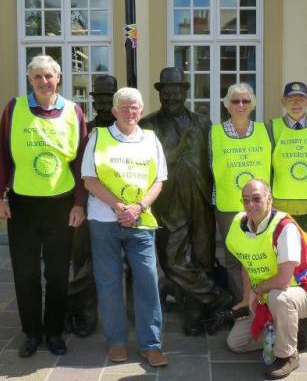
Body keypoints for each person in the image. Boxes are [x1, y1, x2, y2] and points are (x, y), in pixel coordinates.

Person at [0, 55, 88, 357]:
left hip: (61, 206)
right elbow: (2, 156)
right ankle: (32, 332)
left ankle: (54, 331)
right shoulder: (14, 108)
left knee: (58, 273)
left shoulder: (73, 111)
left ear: (59, 78)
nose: (44, 82)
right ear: (30, 79)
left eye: (50, 76)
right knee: (25, 273)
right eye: (38, 77)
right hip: (23, 206)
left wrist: (79, 203)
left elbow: (82, 162)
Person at [140, 67, 232, 336]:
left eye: (176, 92)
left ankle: (196, 312)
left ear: (185, 92)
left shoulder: (203, 123)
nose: (170, 98)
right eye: (166, 93)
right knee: (172, 260)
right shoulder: (148, 125)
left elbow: (216, 160)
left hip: (201, 199)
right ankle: (219, 297)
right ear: (160, 94)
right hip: (168, 202)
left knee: (203, 257)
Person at [81, 87, 169, 367]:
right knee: (109, 283)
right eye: (125, 107)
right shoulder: (99, 137)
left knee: (147, 281)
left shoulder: (151, 139)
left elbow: (159, 181)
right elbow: (89, 180)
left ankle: (151, 344)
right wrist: (120, 207)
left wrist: (138, 208)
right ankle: (116, 342)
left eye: (135, 107)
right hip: (105, 221)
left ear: (141, 112)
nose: (131, 112)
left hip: (141, 221)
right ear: (115, 111)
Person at [225, 179, 307, 380]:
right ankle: (289, 333)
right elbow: (246, 263)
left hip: (301, 292)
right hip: (264, 294)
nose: (250, 204)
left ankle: (287, 355)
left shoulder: (284, 227)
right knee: (236, 343)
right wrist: (246, 299)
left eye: (256, 199)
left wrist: (256, 290)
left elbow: (283, 280)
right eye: (245, 200)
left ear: (269, 199)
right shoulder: (239, 224)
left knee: (279, 298)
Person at [65, 74, 118, 338]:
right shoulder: (85, 131)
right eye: (100, 100)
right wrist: (78, 205)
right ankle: (81, 311)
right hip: (87, 206)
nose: (104, 105)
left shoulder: (128, 132)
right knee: (84, 261)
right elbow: (76, 172)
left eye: (109, 100)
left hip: (122, 209)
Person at [211, 83, 272, 302]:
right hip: (228, 206)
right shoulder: (215, 133)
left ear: (252, 105)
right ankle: (243, 303)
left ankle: (264, 301)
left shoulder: (265, 131)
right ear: (227, 105)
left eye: (245, 101)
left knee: (262, 255)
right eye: (235, 101)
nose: (240, 105)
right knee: (234, 258)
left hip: (260, 206)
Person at [266, 81, 307, 277]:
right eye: (290, 99)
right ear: (283, 102)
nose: (295, 103)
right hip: (281, 206)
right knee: (281, 253)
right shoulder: (271, 128)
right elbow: (265, 168)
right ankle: (284, 298)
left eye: (300, 99)